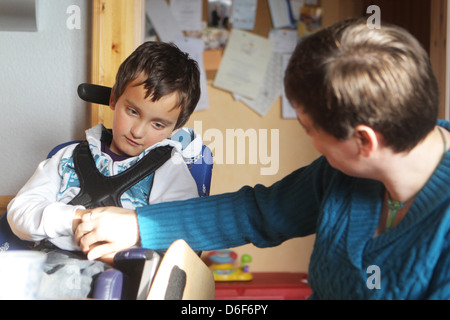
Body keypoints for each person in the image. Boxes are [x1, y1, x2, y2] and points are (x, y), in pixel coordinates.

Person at [76, 19, 450, 299]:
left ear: (364, 142)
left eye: (307, 128)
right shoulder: (340, 175)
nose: (309, 140)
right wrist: (141, 224)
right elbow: (257, 212)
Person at [7, 41, 202, 298]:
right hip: (51, 263)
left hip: (121, 269)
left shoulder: (169, 169)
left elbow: (182, 234)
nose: (138, 131)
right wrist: (76, 219)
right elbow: (20, 213)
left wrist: (132, 239)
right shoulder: (68, 158)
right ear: (113, 99)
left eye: (157, 124)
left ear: (174, 128)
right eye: (132, 111)